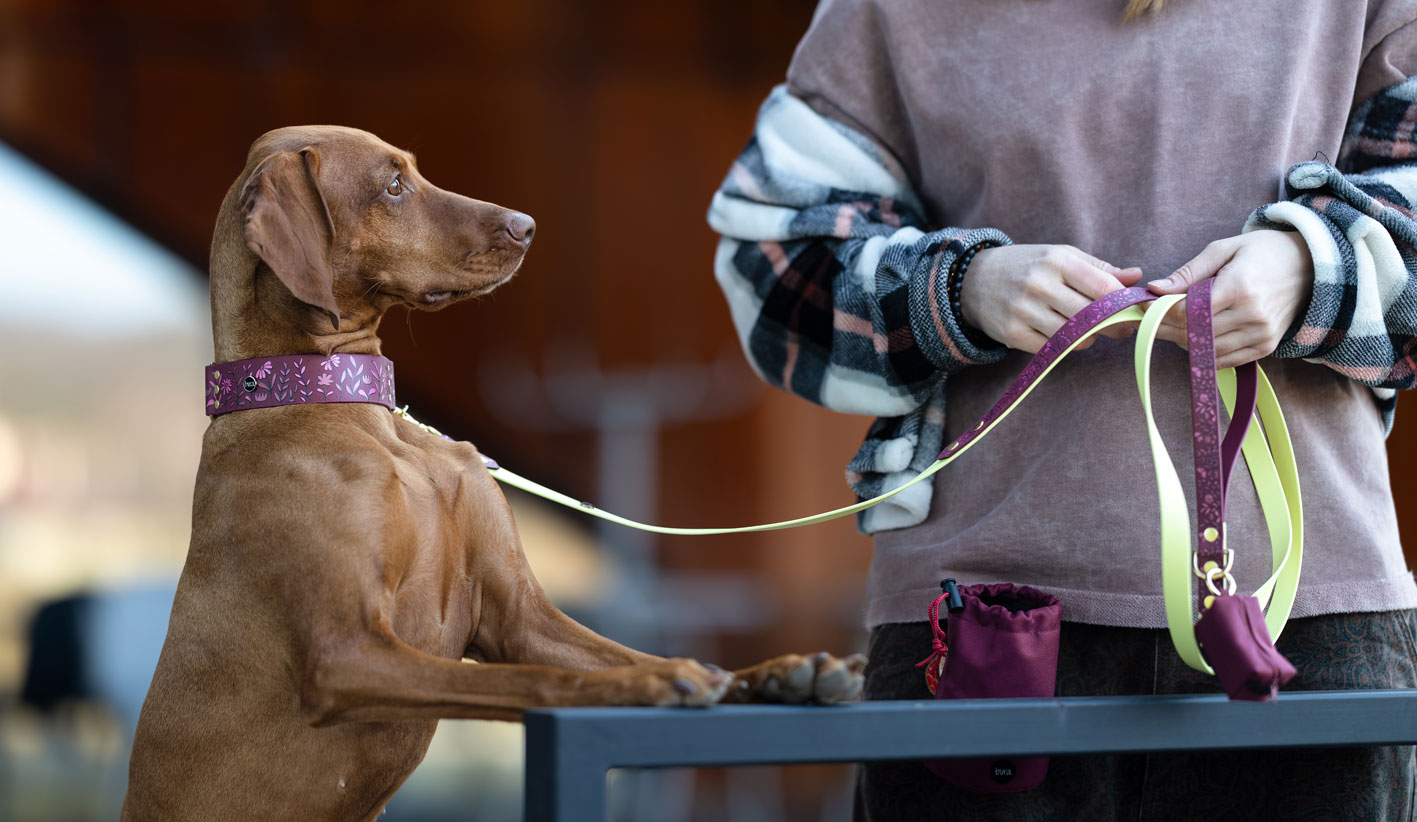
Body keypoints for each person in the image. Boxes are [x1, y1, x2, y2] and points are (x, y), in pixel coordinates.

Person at [707, 0, 1417, 818]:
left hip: (1314, 622)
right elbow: (772, 258)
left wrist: (1311, 268)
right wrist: (960, 289)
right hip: (978, 621)